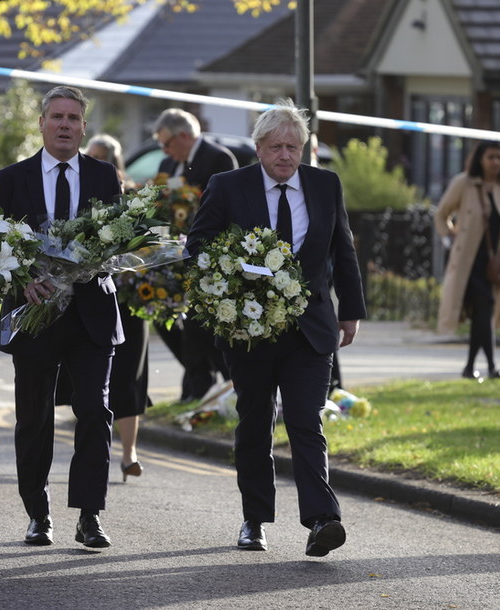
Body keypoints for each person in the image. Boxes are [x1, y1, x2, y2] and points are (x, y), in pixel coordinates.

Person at [186, 99, 366, 557]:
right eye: (276, 147)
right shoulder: (228, 186)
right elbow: (199, 246)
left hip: (311, 328)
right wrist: (234, 275)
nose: (286, 155)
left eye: (294, 146)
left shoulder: (325, 185)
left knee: (306, 420)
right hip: (249, 330)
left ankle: (322, 519)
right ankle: (254, 520)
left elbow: (342, 250)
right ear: (259, 148)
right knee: (255, 422)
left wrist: (352, 310)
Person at [0, 86, 123, 548]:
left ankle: (89, 516)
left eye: (73, 118)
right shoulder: (12, 178)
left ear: (84, 127)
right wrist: (24, 277)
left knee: (93, 409)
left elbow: (119, 240)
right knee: (34, 418)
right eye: (57, 117)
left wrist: (102, 259)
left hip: (91, 313)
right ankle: (37, 513)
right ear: (42, 123)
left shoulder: (105, 176)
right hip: (34, 312)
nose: (65, 125)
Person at [153, 108, 237, 401]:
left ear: (185, 136)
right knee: (164, 319)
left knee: (197, 323)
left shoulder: (218, 158)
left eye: (167, 143)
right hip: (170, 255)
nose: (164, 150)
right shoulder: (168, 162)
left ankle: (205, 385)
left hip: (204, 255)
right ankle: (199, 381)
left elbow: (223, 208)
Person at [435, 141, 500, 380]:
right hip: (470, 261)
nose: (495, 162)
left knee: (484, 312)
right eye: (490, 157)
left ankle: (470, 367)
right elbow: (441, 213)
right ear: (480, 159)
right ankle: (491, 366)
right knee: (485, 306)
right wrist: (449, 237)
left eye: (499, 157)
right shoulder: (464, 183)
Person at [85, 134, 147, 480]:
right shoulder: (83, 193)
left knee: (128, 378)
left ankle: (128, 453)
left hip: (133, 299)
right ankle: (97, 449)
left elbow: (150, 246)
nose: (90, 162)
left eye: (97, 157)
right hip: (96, 297)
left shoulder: (134, 196)